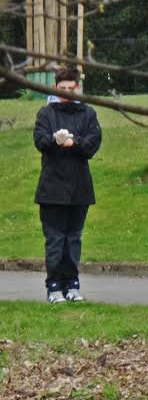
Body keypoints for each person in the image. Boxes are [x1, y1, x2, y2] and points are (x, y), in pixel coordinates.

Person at [33, 67, 102, 304]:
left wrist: (74, 142)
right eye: (61, 89)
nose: (65, 93)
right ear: (56, 88)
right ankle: (54, 287)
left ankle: (72, 285)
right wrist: (56, 140)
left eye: (70, 89)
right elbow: (40, 141)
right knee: (55, 241)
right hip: (51, 190)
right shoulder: (46, 114)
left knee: (73, 240)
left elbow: (92, 145)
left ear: (77, 88)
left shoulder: (88, 114)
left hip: (79, 189)